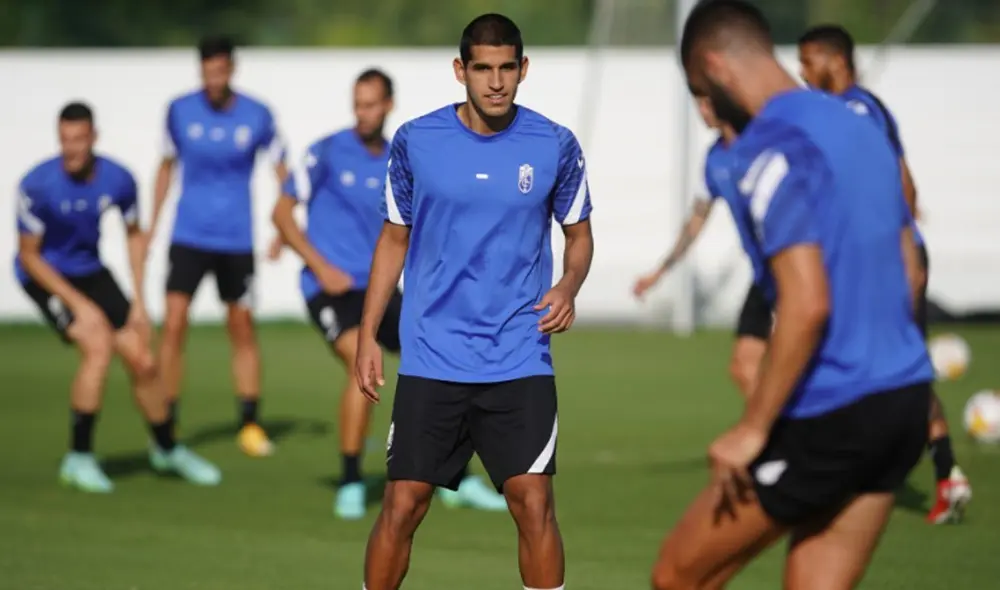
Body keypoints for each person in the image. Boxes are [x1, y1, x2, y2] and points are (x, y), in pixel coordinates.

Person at [652, 2, 935, 588]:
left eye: (699, 91)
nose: (705, 112)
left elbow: (806, 303)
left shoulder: (769, 146)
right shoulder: (861, 125)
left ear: (714, 66)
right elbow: (912, 267)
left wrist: (753, 428)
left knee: (677, 576)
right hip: (903, 398)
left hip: (832, 410)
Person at [355, 13, 593, 590]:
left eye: (506, 68)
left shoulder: (554, 143)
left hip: (519, 355)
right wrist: (367, 335)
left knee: (533, 503)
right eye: (482, 68)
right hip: (433, 355)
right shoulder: (416, 140)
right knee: (403, 506)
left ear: (523, 69)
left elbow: (579, 236)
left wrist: (567, 285)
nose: (495, 82)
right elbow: (393, 238)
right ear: (460, 70)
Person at [271, 68, 507, 519]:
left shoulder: (401, 159)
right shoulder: (324, 153)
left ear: (388, 105)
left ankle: (453, 479)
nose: (363, 113)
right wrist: (321, 266)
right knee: (364, 362)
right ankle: (350, 481)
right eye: (357, 104)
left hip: (379, 290)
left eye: (371, 104)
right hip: (330, 291)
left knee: (448, 361)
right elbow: (281, 214)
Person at [798, 24, 971, 525]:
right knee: (893, 368)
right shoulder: (852, 110)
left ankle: (864, 471)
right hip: (873, 262)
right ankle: (943, 473)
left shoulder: (855, 108)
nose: (803, 72)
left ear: (834, 60)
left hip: (886, 265)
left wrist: (905, 255)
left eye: (809, 61)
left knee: (888, 370)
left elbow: (897, 181)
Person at [15, 102, 221, 493]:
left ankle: (166, 449)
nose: (71, 148)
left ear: (94, 137)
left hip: (90, 271)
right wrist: (79, 305)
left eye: (78, 139)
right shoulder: (37, 185)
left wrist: (140, 301)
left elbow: (132, 236)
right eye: (64, 140)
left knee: (143, 358)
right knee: (97, 346)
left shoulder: (118, 179)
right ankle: (78, 458)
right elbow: (29, 254)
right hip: (45, 275)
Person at [147, 35, 288, 457]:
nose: (214, 77)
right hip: (188, 236)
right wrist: (151, 227)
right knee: (173, 324)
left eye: (221, 70)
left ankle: (249, 422)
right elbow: (166, 167)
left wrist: (283, 227)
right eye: (207, 70)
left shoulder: (258, 114)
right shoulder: (179, 111)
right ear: (201, 71)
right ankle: (166, 420)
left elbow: (283, 169)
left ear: (231, 69)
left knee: (241, 328)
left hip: (236, 240)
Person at [633, 100, 769, 397]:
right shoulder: (715, 159)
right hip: (765, 277)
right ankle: (777, 435)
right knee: (744, 367)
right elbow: (696, 220)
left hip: (795, 266)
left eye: (707, 103)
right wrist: (660, 272)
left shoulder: (765, 145)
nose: (702, 111)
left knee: (801, 365)